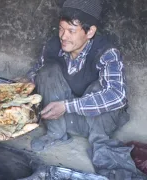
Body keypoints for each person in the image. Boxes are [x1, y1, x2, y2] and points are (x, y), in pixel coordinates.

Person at [26, 0, 141, 179]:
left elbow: (117, 96)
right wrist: (26, 82)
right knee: (47, 71)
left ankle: (101, 143)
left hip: (98, 123)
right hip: (63, 118)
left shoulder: (106, 52)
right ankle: (56, 133)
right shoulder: (53, 45)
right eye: (61, 29)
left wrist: (67, 106)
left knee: (99, 88)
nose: (63, 36)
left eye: (71, 31)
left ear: (90, 32)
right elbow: (36, 71)